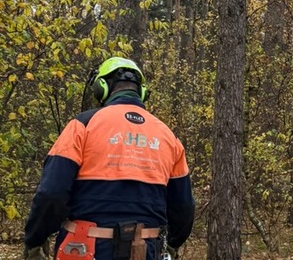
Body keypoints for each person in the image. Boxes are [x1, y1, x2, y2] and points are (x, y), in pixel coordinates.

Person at [23, 57, 195, 260]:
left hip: (84, 248)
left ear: (101, 87)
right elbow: (183, 207)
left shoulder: (82, 126)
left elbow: (51, 194)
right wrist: (171, 245)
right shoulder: (168, 137)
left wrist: (35, 240)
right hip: (146, 249)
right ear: (141, 91)